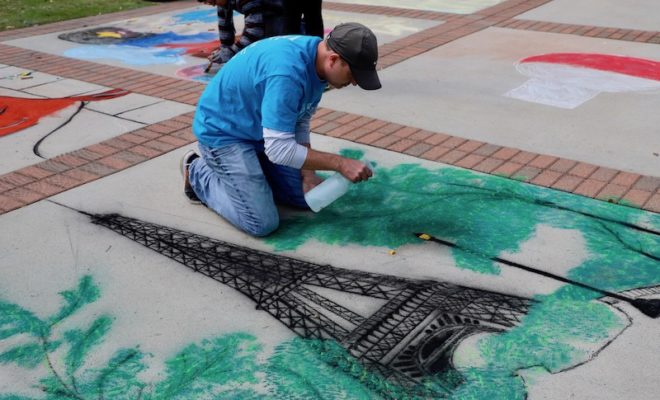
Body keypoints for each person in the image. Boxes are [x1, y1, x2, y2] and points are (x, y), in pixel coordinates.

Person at [180, 23, 381, 237]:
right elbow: (279, 150)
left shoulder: (317, 59)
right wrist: (340, 163)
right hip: (224, 134)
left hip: (260, 132)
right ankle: (196, 171)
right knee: (260, 222)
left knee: (307, 197)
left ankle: (255, 173)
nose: (354, 83)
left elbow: (300, 120)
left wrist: (309, 175)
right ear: (333, 59)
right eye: (353, 75)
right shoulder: (287, 74)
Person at [197, 0, 285, 71]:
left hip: (283, 10)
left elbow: (255, 31)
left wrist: (230, 52)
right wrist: (224, 49)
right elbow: (224, 26)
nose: (211, 4)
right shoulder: (221, 2)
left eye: (212, 1)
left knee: (275, 46)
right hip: (264, 11)